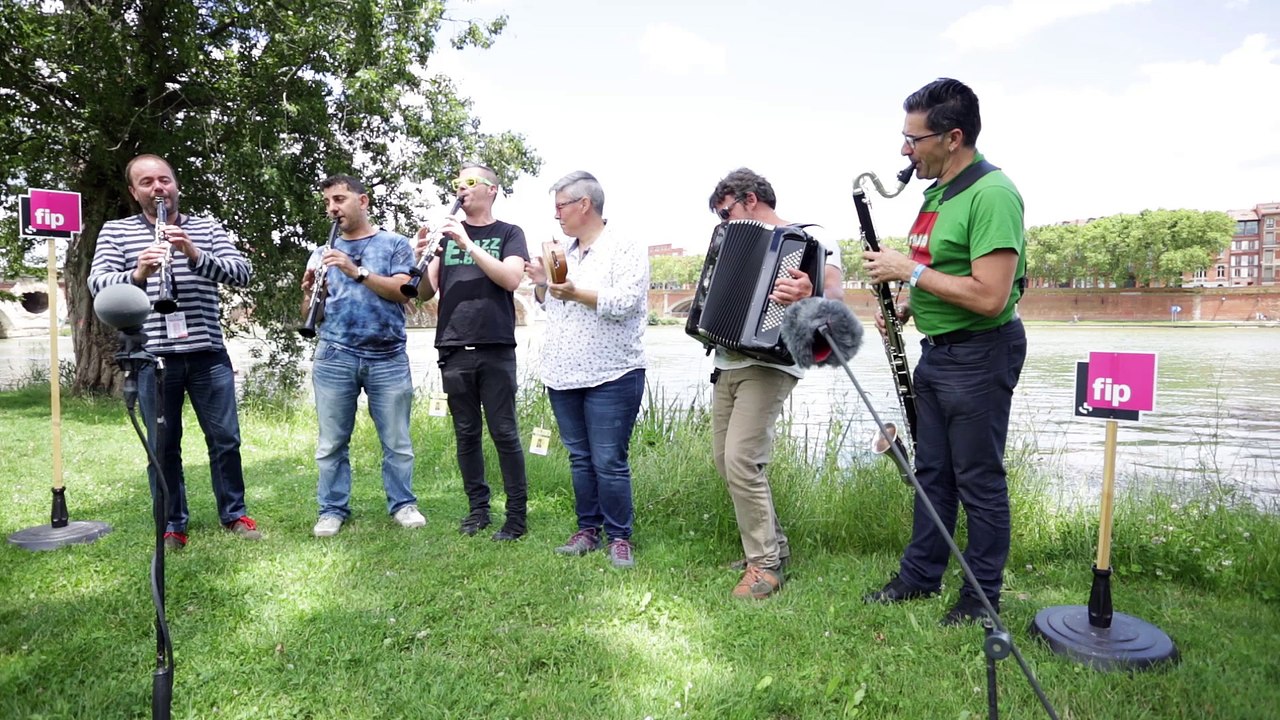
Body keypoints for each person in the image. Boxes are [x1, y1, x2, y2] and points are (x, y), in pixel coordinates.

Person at [860, 78, 1028, 626]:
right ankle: (920, 576)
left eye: (915, 139)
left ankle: (981, 598)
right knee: (932, 472)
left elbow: (990, 295)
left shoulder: (993, 195)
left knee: (978, 478)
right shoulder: (937, 193)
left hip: (981, 354)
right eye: (904, 138)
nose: (905, 151)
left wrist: (908, 271)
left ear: (953, 137)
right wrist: (907, 305)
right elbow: (944, 270)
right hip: (940, 352)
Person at [89, 154, 261, 550]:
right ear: (134, 192)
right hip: (152, 357)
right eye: (146, 182)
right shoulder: (117, 232)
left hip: (207, 352)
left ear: (176, 185)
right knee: (163, 445)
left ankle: (234, 514)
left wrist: (194, 253)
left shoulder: (206, 227)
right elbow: (98, 284)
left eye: (163, 180)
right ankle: (172, 525)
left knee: (225, 439)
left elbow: (242, 272)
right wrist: (138, 274)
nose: (157, 188)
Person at [706, 168, 844, 599]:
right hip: (728, 361)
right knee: (724, 459)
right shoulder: (729, 242)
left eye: (726, 212)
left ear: (750, 199)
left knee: (743, 459)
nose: (724, 223)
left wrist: (809, 291)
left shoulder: (811, 238)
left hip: (772, 363)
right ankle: (770, 548)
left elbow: (835, 300)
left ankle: (764, 566)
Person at [524, 171, 648, 569]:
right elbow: (551, 304)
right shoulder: (563, 252)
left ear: (584, 205)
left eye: (561, 206)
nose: (556, 214)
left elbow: (625, 303)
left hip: (613, 372)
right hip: (562, 373)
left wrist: (574, 291)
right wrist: (544, 284)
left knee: (609, 459)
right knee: (579, 458)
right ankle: (587, 529)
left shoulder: (625, 246)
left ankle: (619, 536)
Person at [301, 174, 426, 537]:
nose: (332, 208)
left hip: (387, 356)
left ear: (363, 201)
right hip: (334, 355)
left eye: (339, 199)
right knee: (331, 443)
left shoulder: (393, 244)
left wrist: (356, 271)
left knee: (397, 441)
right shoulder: (321, 252)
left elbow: (404, 292)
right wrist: (311, 293)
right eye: (327, 203)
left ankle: (403, 504)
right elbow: (312, 313)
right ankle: (331, 509)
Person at [416, 163, 530, 542]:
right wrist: (418, 258)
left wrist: (467, 243)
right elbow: (424, 293)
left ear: (491, 190)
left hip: (495, 345)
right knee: (465, 433)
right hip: (452, 345)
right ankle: (477, 510)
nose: (460, 190)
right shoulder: (444, 237)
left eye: (468, 183)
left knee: (504, 433)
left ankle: (515, 517)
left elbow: (511, 278)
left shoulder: (509, 233)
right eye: (456, 183)